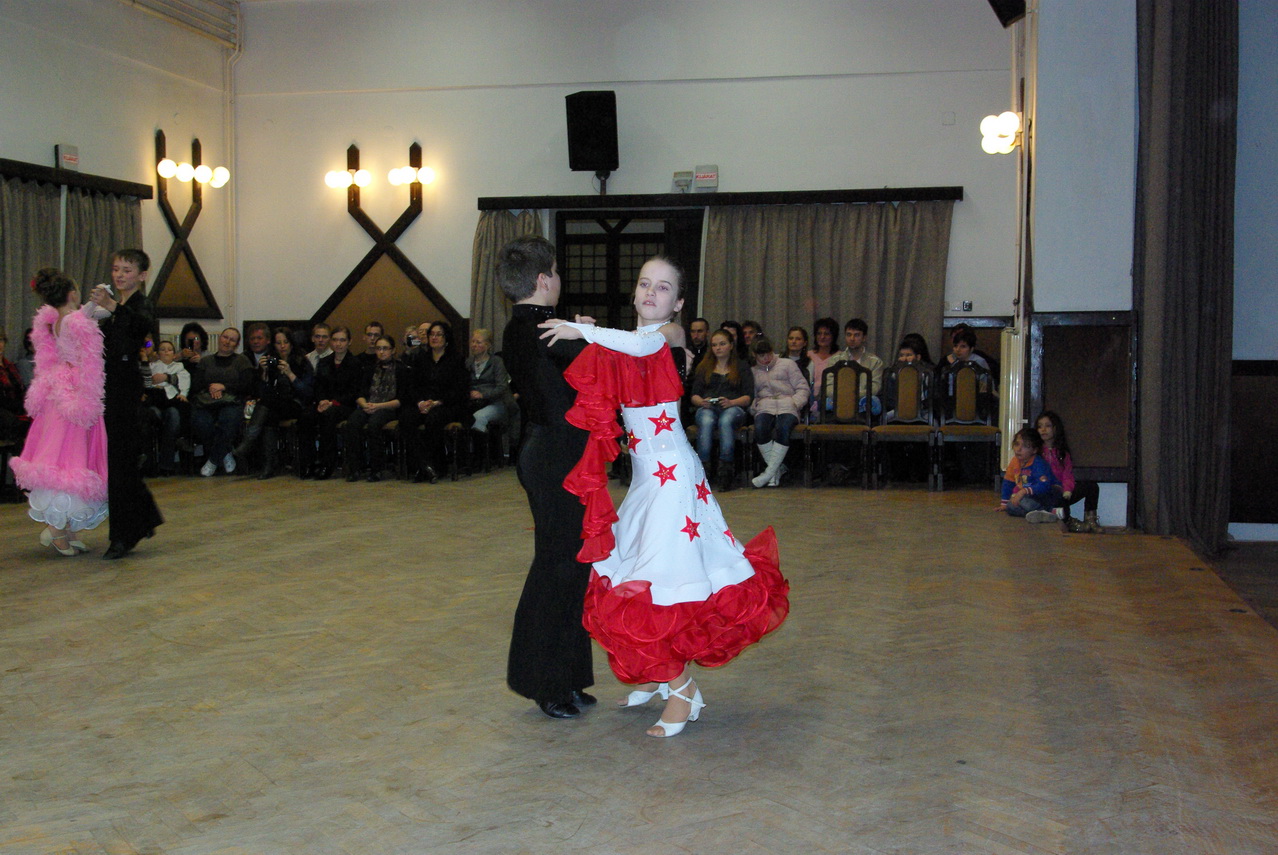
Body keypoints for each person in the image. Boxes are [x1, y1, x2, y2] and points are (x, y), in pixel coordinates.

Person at [541, 255, 789, 737]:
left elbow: (638, 343)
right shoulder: (625, 341)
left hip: (671, 479)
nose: (651, 293)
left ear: (678, 303)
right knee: (634, 573)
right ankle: (660, 674)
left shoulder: (670, 335)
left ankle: (682, 690)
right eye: (644, 284)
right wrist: (591, 333)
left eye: (663, 287)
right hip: (646, 479)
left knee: (662, 579)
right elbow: (620, 350)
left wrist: (582, 329)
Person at [500, 235, 596, 720]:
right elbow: (602, 371)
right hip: (555, 458)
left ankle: (568, 677)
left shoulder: (524, 326)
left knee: (572, 565)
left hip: (553, 454)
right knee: (557, 567)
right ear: (543, 279)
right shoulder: (545, 329)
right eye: (556, 272)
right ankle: (544, 682)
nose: (559, 279)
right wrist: (590, 335)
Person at [10, 268, 108, 556]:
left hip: (59, 391)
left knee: (69, 458)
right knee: (68, 460)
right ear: (72, 293)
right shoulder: (75, 322)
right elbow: (94, 331)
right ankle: (56, 530)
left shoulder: (56, 320)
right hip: (75, 394)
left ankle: (67, 528)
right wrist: (103, 303)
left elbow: (94, 313)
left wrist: (97, 303)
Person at [88, 249, 164, 559]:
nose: (119, 275)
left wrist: (112, 307)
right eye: (116, 269)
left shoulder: (141, 304)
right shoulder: (114, 306)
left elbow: (140, 327)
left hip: (125, 389)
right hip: (108, 387)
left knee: (121, 461)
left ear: (142, 276)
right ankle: (143, 518)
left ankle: (123, 536)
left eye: (127, 270)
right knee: (119, 461)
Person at [236, 327, 313, 479]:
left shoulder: (301, 361)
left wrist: (290, 374)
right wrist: (264, 373)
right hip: (273, 405)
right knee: (268, 415)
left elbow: (307, 393)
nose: (282, 346)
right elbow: (261, 392)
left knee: (267, 405)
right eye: (278, 343)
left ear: (291, 343)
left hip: (295, 403)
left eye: (286, 342)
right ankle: (268, 466)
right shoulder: (271, 360)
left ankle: (249, 444)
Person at [403, 321, 468, 484]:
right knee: (406, 418)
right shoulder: (421, 359)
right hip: (424, 404)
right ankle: (424, 465)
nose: (434, 337)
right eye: (431, 334)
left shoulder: (456, 359)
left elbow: (460, 390)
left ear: (446, 339)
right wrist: (420, 402)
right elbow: (413, 386)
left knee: (434, 419)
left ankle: (435, 465)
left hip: (447, 404)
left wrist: (437, 402)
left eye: (439, 334)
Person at [689, 328, 754, 491]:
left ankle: (726, 471)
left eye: (722, 344)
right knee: (706, 420)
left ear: (731, 345)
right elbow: (694, 395)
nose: (718, 348)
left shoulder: (742, 366)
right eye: (714, 345)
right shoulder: (704, 367)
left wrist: (732, 402)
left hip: (734, 406)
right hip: (708, 407)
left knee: (726, 420)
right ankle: (703, 469)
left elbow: (748, 397)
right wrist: (701, 402)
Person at [343, 334, 408, 481]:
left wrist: (378, 406)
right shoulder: (369, 369)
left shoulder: (401, 369)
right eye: (378, 348)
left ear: (393, 350)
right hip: (369, 405)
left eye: (385, 348)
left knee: (374, 424)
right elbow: (360, 393)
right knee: (352, 422)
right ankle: (355, 468)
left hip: (389, 407)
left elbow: (401, 400)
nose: (381, 352)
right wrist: (364, 404)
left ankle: (376, 469)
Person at [191, 327, 254, 477]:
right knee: (200, 422)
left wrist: (224, 386)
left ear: (236, 345)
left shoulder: (242, 361)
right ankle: (225, 452)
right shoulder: (205, 361)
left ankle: (213, 461)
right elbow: (196, 384)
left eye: (232, 340)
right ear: (220, 338)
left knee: (229, 419)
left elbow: (247, 384)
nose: (227, 342)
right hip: (206, 402)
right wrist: (212, 387)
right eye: (225, 337)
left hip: (232, 402)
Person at [302, 326, 362, 480]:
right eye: (335, 340)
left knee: (327, 416)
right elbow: (319, 386)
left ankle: (327, 464)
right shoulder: (324, 362)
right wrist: (322, 400)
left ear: (349, 342)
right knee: (306, 416)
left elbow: (354, 392)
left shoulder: (355, 363)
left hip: (345, 406)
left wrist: (333, 402)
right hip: (324, 403)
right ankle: (308, 463)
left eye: (342, 340)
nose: (338, 344)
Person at [749, 337, 809, 488]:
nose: (766, 358)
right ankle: (775, 470)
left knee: (784, 428)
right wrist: (754, 406)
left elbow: (803, 388)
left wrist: (795, 403)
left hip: (787, 405)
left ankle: (768, 473)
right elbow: (752, 395)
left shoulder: (787, 364)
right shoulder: (753, 371)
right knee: (760, 428)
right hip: (765, 406)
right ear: (754, 355)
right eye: (761, 355)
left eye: (768, 353)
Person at [1036, 410, 1102, 532]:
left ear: (1056, 428)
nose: (1043, 429)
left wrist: (1067, 489)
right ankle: (1068, 521)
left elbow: (1068, 474)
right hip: (1045, 491)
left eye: (1048, 426)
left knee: (1092, 487)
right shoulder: (1036, 452)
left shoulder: (1062, 452)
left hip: (1063, 490)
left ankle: (1090, 520)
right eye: (1040, 426)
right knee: (1057, 493)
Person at [147, 340, 190, 475]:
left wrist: (183, 393)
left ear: (174, 354)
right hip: (155, 399)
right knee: (153, 414)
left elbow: (184, 380)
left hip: (171, 401)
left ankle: (167, 465)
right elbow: (148, 380)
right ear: (158, 353)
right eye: (163, 349)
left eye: (169, 349)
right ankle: (150, 464)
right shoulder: (153, 365)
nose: (166, 352)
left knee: (173, 416)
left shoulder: (178, 367)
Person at [997, 427, 1058, 521]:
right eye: (1017, 444)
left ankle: (1049, 510)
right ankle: (1042, 514)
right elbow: (1008, 482)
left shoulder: (1038, 463)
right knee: (1010, 506)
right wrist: (1004, 503)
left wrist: (1023, 491)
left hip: (1046, 495)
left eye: (1025, 446)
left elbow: (1044, 486)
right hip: (1029, 497)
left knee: (1023, 501)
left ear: (1034, 450)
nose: (1018, 449)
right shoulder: (1014, 461)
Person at [465, 328, 515, 438]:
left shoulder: (497, 362)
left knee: (479, 417)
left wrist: (483, 394)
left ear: (488, 345)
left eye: (478, 342)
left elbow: (502, 387)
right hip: (474, 403)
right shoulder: (468, 362)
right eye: (473, 341)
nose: (474, 345)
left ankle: (480, 447)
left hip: (496, 403)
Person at [808, 317, 841, 418]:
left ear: (833, 336)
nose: (822, 337)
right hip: (809, 397)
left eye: (826, 334)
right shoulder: (807, 356)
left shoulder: (840, 357)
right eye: (819, 333)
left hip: (831, 399)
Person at [0, 329, 29, 446]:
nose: (0, 344)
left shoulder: (10, 366)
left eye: (1, 340)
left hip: (16, 409)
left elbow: (20, 390)